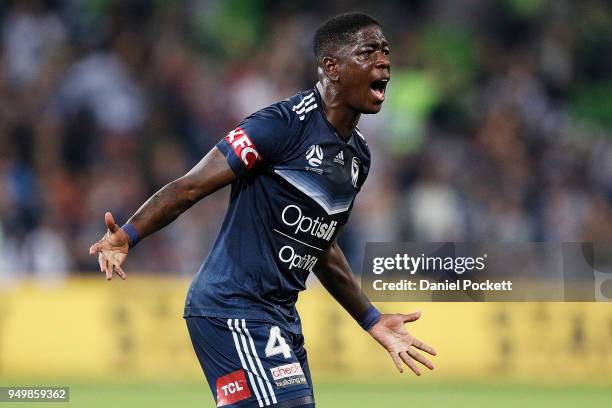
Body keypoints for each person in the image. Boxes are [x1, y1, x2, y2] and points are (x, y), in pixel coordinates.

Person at [89, 12, 436, 408]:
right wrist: (128, 235)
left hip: (278, 316)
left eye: (386, 51)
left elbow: (321, 246)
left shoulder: (358, 156)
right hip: (231, 307)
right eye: (368, 51)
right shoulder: (281, 125)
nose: (384, 61)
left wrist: (371, 319)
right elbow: (190, 187)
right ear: (332, 68)